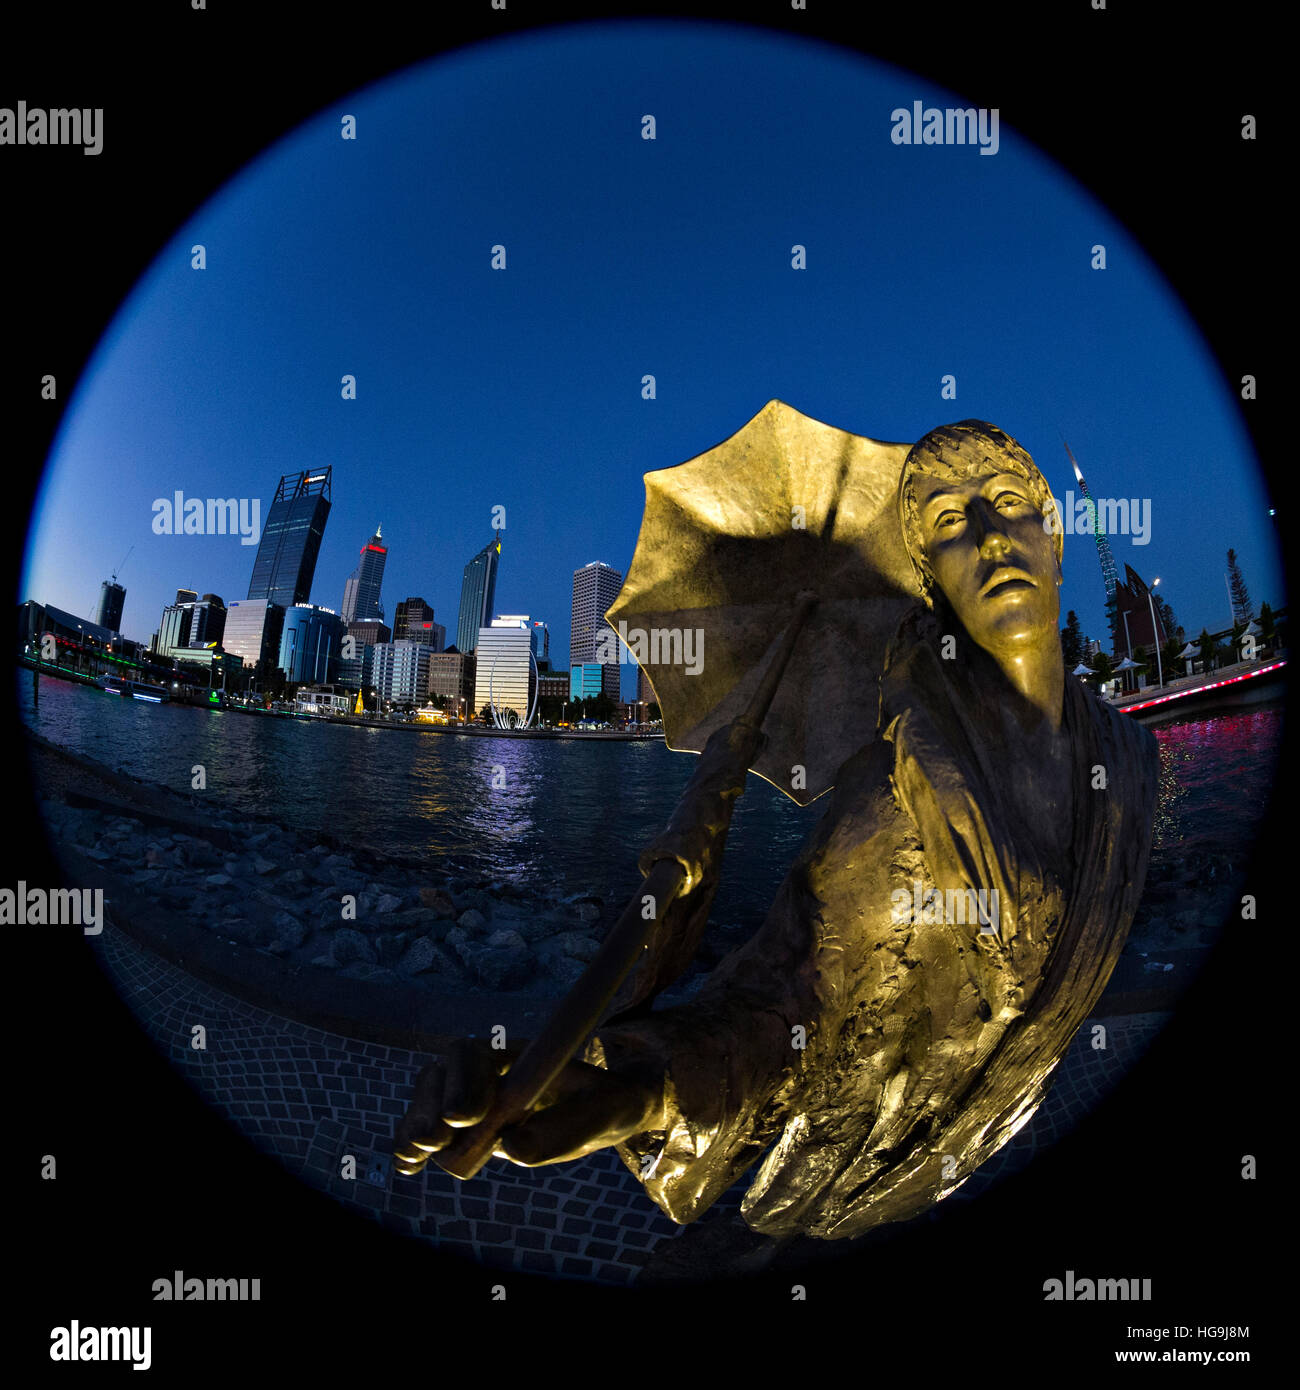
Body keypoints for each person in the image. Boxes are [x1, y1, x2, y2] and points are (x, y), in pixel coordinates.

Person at [393, 420, 1160, 1242]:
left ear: (1056, 535)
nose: (988, 535)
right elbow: (788, 1017)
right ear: (931, 580)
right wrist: (644, 1093)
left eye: (1009, 504)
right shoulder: (887, 796)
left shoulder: (1134, 760)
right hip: (863, 1187)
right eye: (947, 523)